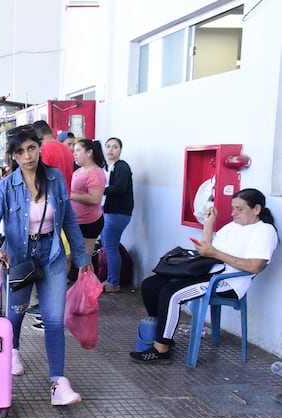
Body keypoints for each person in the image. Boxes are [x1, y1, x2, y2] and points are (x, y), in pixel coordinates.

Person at [0, 124, 91, 405]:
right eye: (21, 151)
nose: (28, 155)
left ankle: (58, 383)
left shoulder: (55, 179)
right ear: (14, 157)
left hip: (52, 255)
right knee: (15, 314)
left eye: (31, 148)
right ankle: (13, 349)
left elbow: (67, 221)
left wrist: (82, 258)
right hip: (18, 256)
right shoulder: (6, 186)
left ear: (39, 148)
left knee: (54, 320)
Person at [131, 189, 278, 364]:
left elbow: (255, 266)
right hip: (208, 272)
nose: (233, 213)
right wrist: (209, 223)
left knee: (172, 293)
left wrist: (216, 253)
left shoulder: (264, 231)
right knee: (151, 285)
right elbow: (208, 250)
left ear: (256, 209)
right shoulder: (232, 227)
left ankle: (161, 348)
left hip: (228, 282)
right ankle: (162, 333)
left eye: (239, 209)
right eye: (233, 209)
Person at [101, 137, 134, 293]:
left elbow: (119, 188)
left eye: (115, 147)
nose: (110, 150)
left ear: (120, 150)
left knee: (110, 247)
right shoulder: (109, 167)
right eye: (108, 146)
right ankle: (110, 279)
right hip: (109, 211)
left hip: (117, 213)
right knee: (109, 246)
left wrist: (98, 190)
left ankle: (114, 282)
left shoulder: (121, 167)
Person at [70, 139, 106, 260]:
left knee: (84, 259)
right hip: (76, 221)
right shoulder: (78, 171)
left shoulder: (96, 173)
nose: (74, 154)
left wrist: (70, 194)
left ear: (89, 152)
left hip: (89, 222)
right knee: (70, 257)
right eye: (74, 151)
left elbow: (95, 199)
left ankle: (87, 279)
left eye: (78, 150)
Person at [33, 120, 75, 192]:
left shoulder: (44, 150)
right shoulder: (66, 149)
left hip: (51, 198)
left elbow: (41, 178)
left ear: (37, 136)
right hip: (66, 196)